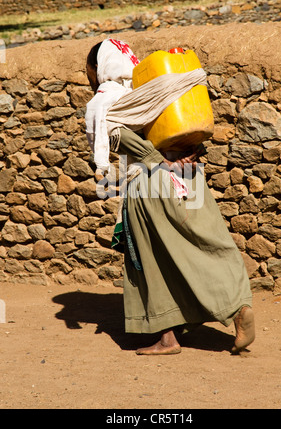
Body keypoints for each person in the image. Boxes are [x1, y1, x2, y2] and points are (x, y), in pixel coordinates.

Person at [85, 38, 255, 356]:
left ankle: (167, 338)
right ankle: (236, 307)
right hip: (188, 174)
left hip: (150, 184)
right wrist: (186, 154)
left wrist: (154, 160)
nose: (89, 77)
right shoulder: (150, 88)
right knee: (203, 244)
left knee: (151, 260)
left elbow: (114, 135)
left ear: (100, 68)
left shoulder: (107, 98)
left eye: (89, 70)